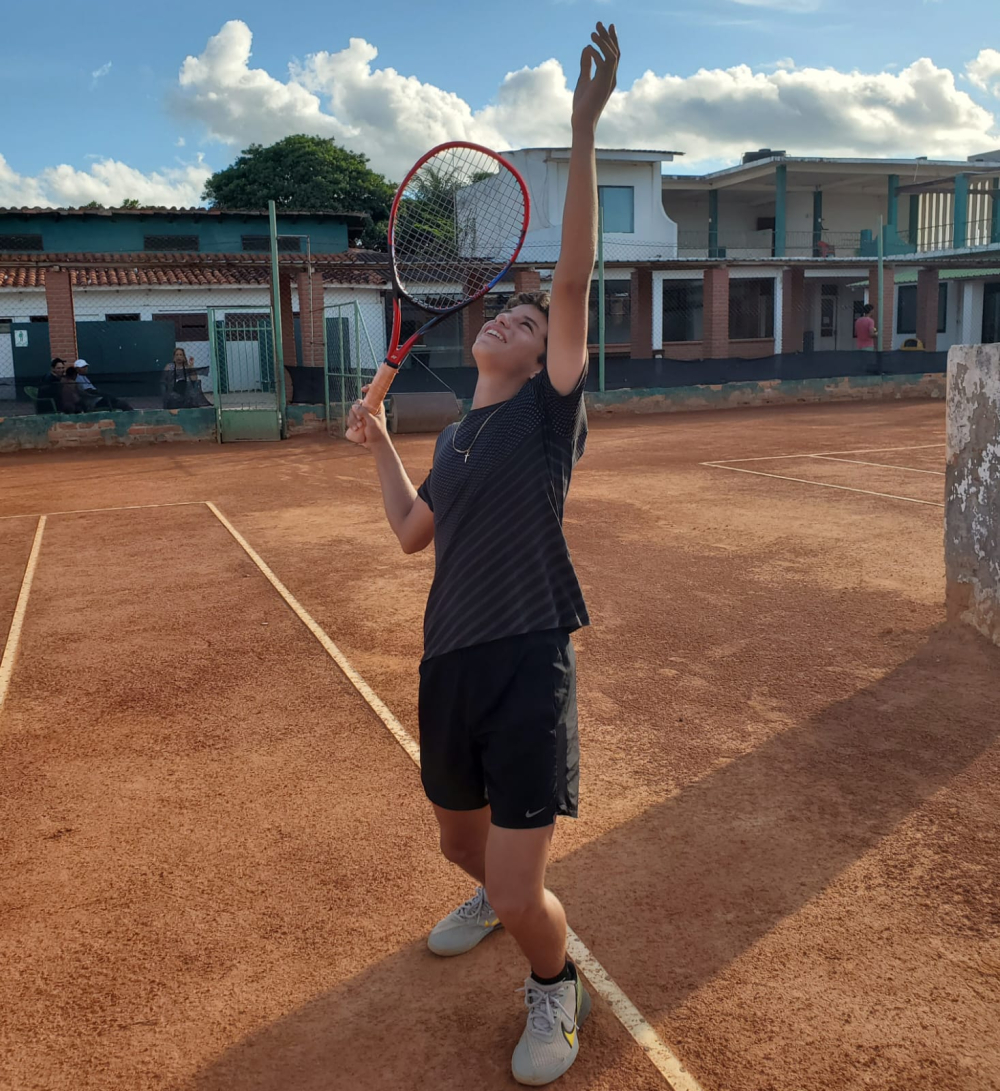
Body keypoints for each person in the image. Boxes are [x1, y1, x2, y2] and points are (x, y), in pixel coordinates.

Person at [346, 22, 619, 1086]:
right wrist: (376, 451)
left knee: (517, 887)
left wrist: (582, 132)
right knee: (463, 846)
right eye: (506, 310)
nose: (514, 313)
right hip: (446, 658)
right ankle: (498, 892)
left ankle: (554, 979)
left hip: (525, 652)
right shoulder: (456, 438)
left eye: (523, 312)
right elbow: (415, 531)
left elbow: (572, 281)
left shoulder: (550, 413)